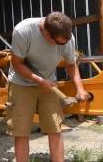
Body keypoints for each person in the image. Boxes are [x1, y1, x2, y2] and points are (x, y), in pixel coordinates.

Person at [6, 11, 90, 162]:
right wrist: (39, 80)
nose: (63, 45)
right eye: (59, 43)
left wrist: (80, 88)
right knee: (21, 130)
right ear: (46, 33)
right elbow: (16, 64)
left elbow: (71, 64)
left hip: (49, 83)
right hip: (21, 83)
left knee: (55, 127)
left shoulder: (67, 39)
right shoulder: (23, 31)